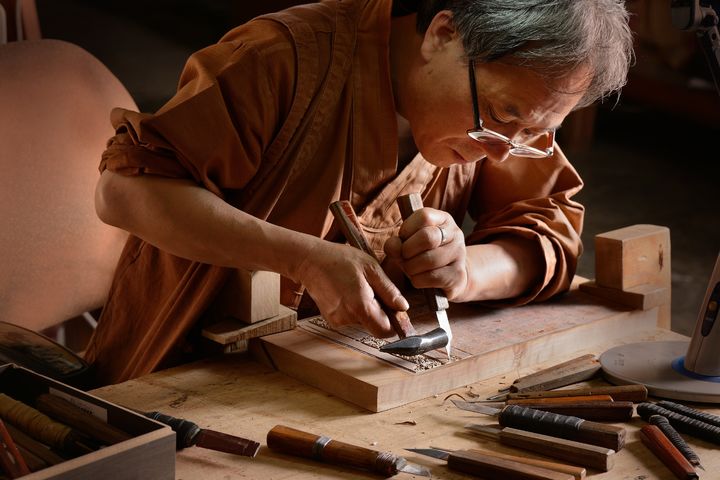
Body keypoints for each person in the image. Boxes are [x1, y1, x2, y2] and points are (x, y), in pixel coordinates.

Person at [85, 0, 633, 385]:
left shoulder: (500, 128)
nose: (503, 152)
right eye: (501, 115)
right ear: (443, 33)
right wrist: (301, 258)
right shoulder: (280, 59)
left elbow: (547, 231)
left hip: (343, 381)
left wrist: (464, 270)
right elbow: (124, 192)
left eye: (535, 134)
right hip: (185, 376)